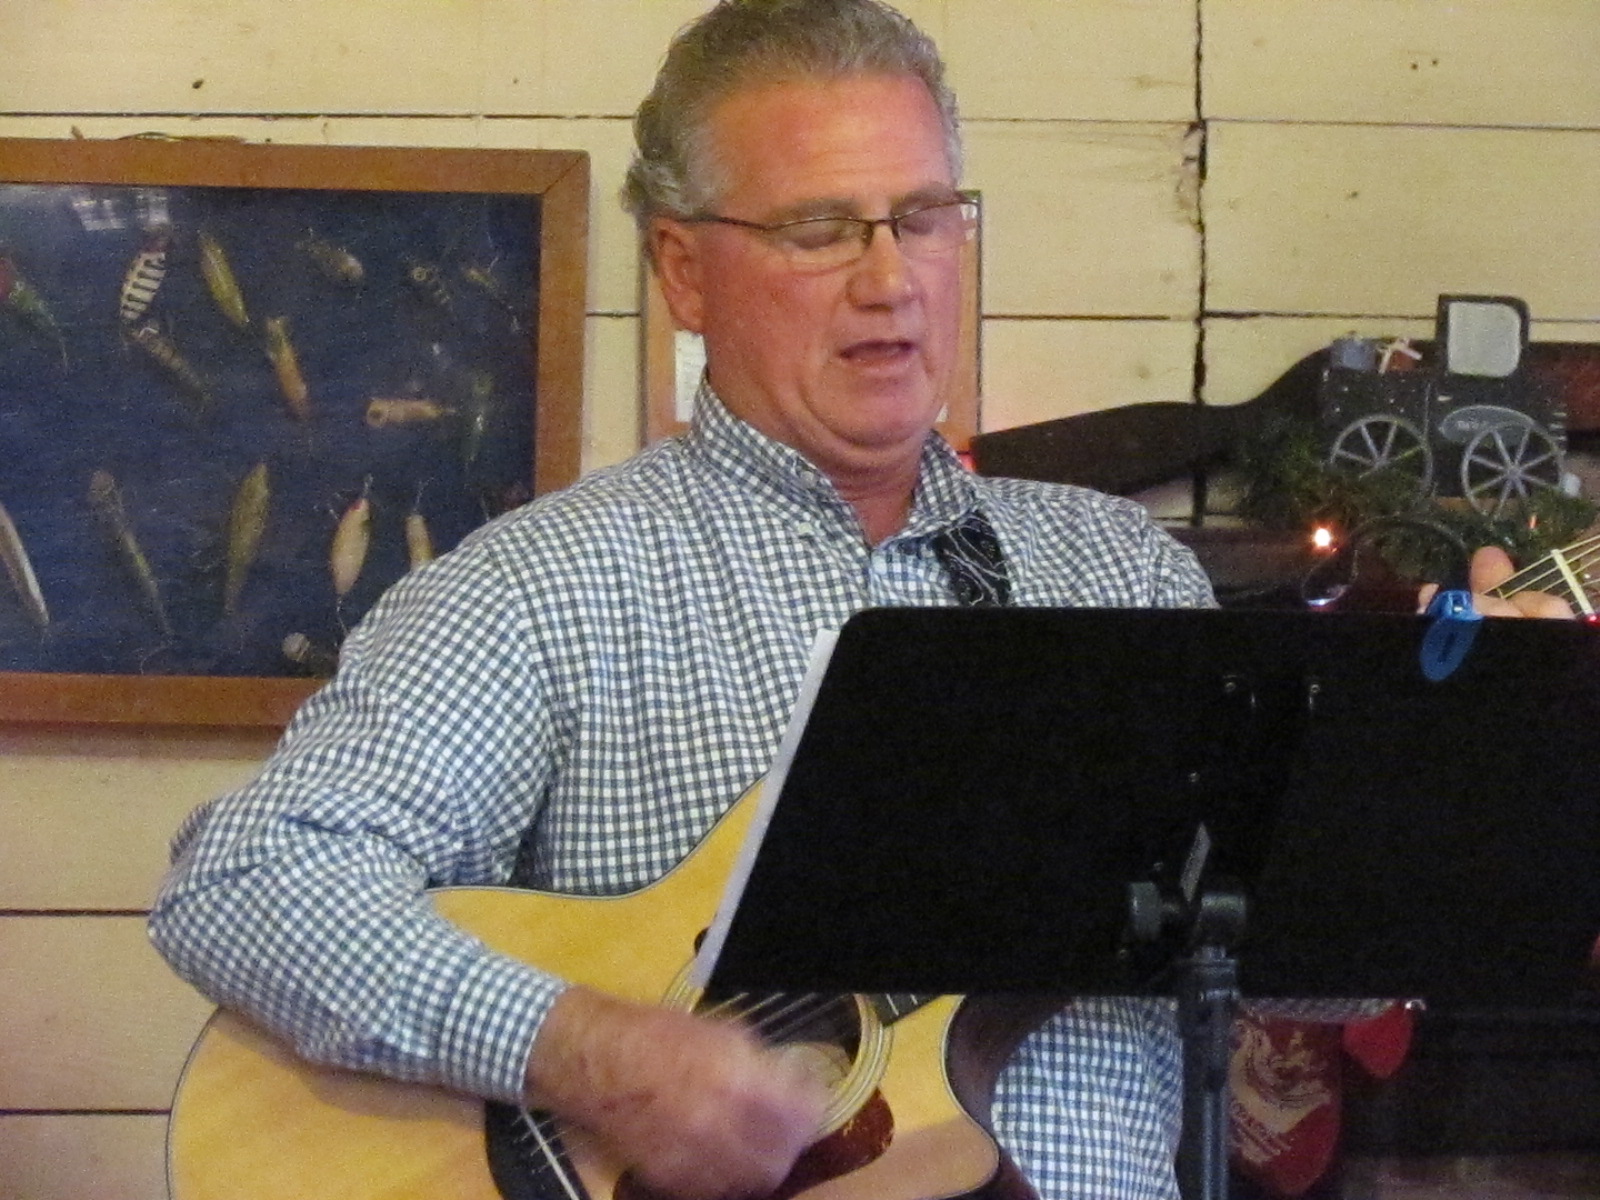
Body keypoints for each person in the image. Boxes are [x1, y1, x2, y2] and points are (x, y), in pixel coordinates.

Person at [148, 3, 1570, 1199]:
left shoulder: (1116, 570)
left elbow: (1298, 962)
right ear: (684, 269)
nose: (891, 281)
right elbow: (245, 884)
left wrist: (1465, 771)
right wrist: (585, 1049)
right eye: (821, 228)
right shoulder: (541, 589)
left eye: (924, 216)